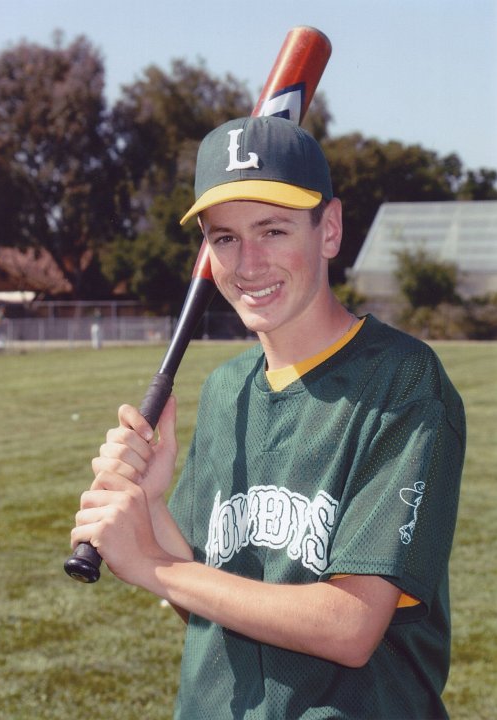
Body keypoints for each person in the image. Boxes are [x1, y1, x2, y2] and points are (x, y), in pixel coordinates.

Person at [71, 116, 466, 719]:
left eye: (273, 230)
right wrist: (151, 508)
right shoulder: (228, 387)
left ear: (329, 229)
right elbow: (208, 597)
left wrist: (149, 564)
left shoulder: (403, 381)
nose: (248, 263)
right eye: (224, 238)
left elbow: (351, 627)